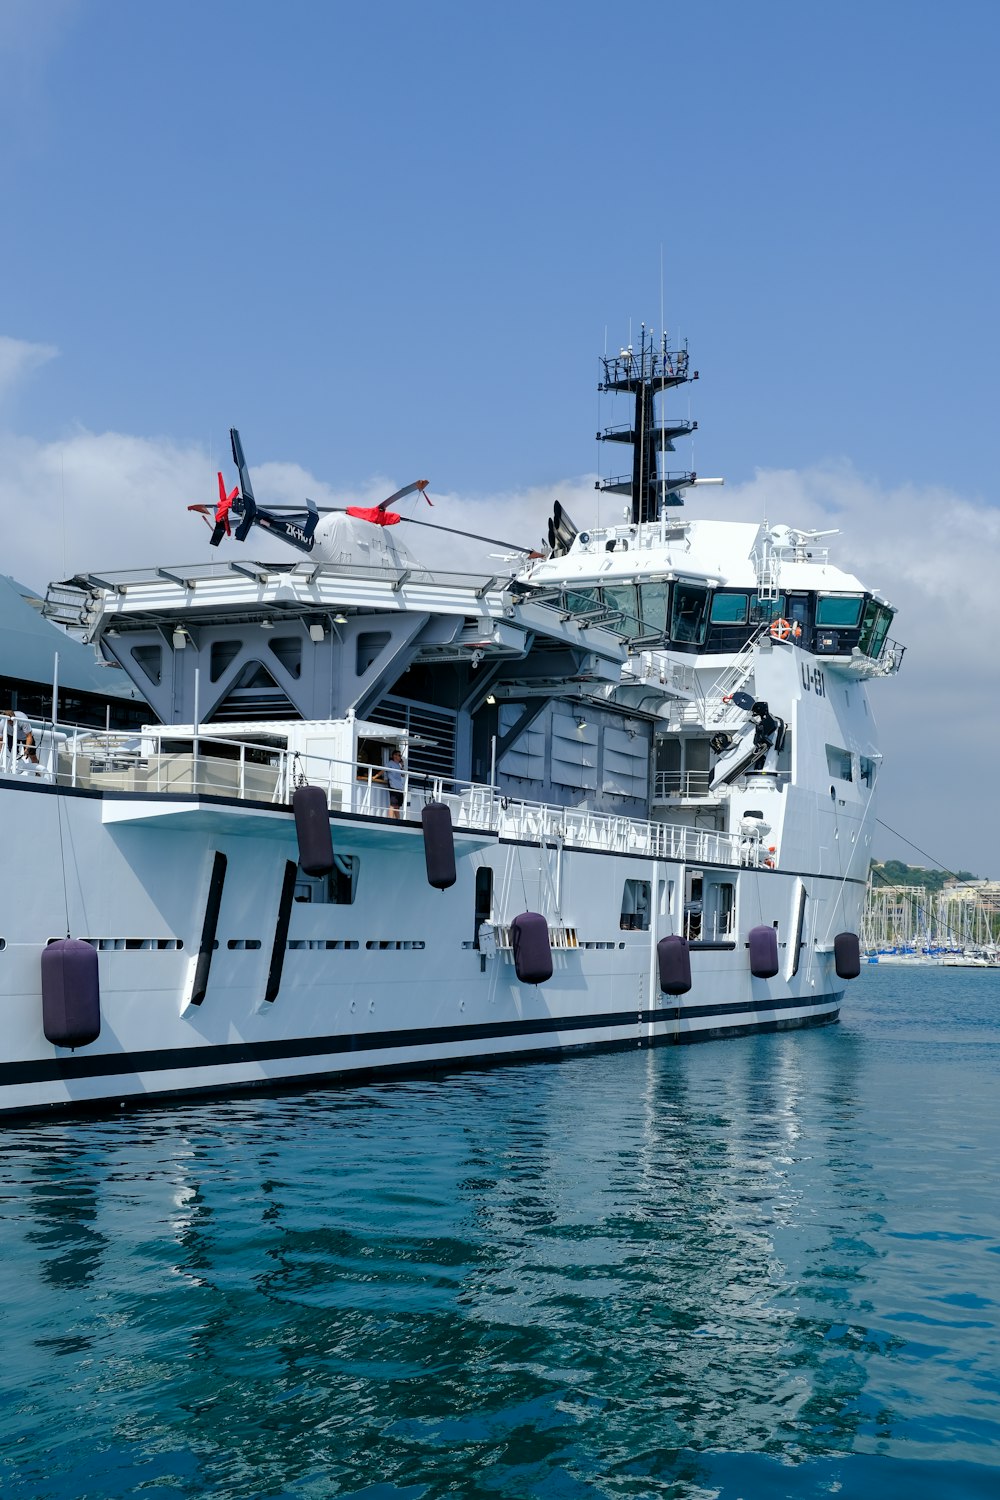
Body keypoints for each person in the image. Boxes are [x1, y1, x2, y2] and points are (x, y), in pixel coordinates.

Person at [383, 747, 405, 819]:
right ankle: (390, 819)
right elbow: (383, 770)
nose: (400, 757)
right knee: (393, 804)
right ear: (394, 756)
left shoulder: (398, 765)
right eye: (399, 755)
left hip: (399, 787)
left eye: (400, 756)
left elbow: (403, 774)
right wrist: (374, 777)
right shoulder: (390, 763)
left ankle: (398, 820)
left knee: (397, 805)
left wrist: (402, 765)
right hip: (393, 786)